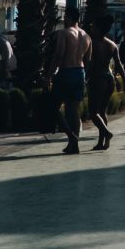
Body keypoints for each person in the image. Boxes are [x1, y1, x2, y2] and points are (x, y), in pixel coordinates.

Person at [41, 11, 92, 154]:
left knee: (53, 106)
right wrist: (84, 77)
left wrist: (48, 76)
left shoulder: (64, 33)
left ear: (69, 18)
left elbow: (58, 55)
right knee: (73, 110)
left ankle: (72, 137)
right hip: (79, 72)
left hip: (66, 72)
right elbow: (88, 60)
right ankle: (73, 145)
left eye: (65, 18)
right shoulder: (87, 37)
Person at [86, 28, 124, 151]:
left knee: (93, 112)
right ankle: (101, 142)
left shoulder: (92, 43)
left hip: (98, 79)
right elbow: (118, 64)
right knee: (102, 111)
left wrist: (85, 77)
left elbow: (89, 63)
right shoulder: (112, 44)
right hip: (109, 79)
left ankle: (107, 133)